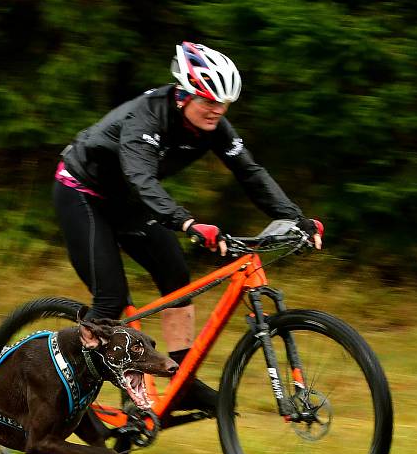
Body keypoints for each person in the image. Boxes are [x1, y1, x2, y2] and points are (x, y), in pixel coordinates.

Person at [53, 41, 322, 415]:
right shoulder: (145, 119)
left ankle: (181, 381)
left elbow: (250, 173)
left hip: (128, 201)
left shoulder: (214, 126)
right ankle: (72, 397)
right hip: (83, 192)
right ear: (184, 95)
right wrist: (187, 221)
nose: (217, 110)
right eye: (208, 100)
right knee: (111, 299)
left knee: (177, 280)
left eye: (223, 102)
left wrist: (296, 217)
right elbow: (142, 179)